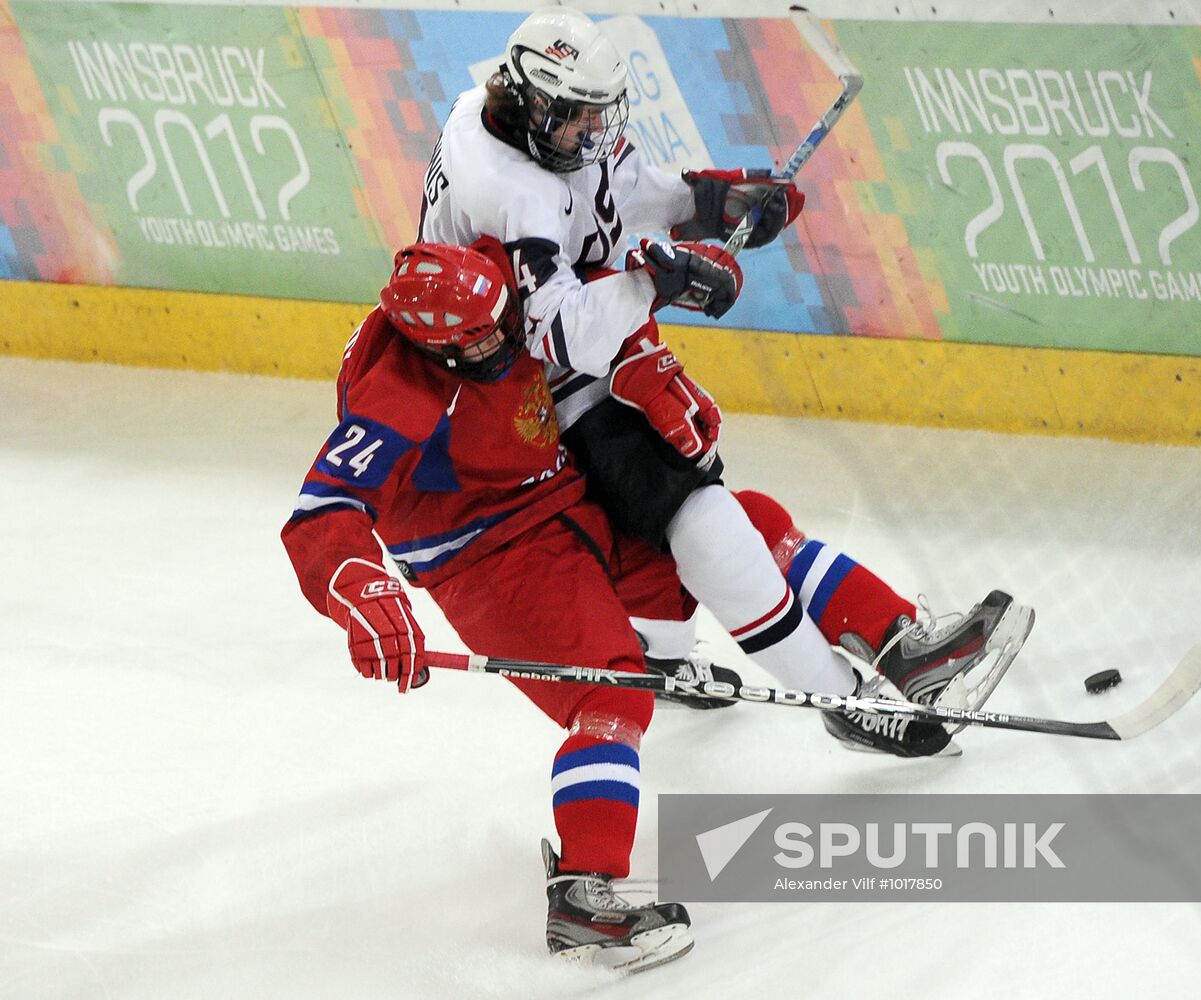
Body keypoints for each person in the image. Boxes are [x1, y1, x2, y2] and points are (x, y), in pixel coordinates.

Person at [415, 5, 1033, 756]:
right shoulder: (510, 191)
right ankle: (841, 700)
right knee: (703, 518)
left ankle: (882, 643)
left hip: (558, 368)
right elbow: (562, 331)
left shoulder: (532, 126)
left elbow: (618, 189)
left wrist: (711, 204)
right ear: (537, 102)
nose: (594, 133)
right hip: (516, 406)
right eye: (581, 119)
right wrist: (657, 285)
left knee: (726, 519)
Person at [281, 240, 693, 973]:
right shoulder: (400, 392)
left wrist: (679, 244)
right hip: (493, 556)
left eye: (500, 326)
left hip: (567, 494)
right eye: (474, 345)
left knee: (726, 535)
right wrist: (363, 589)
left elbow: (584, 248)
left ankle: (889, 654)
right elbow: (324, 514)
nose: (500, 346)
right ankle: (582, 891)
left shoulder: (489, 274)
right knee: (612, 697)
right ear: (430, 345)